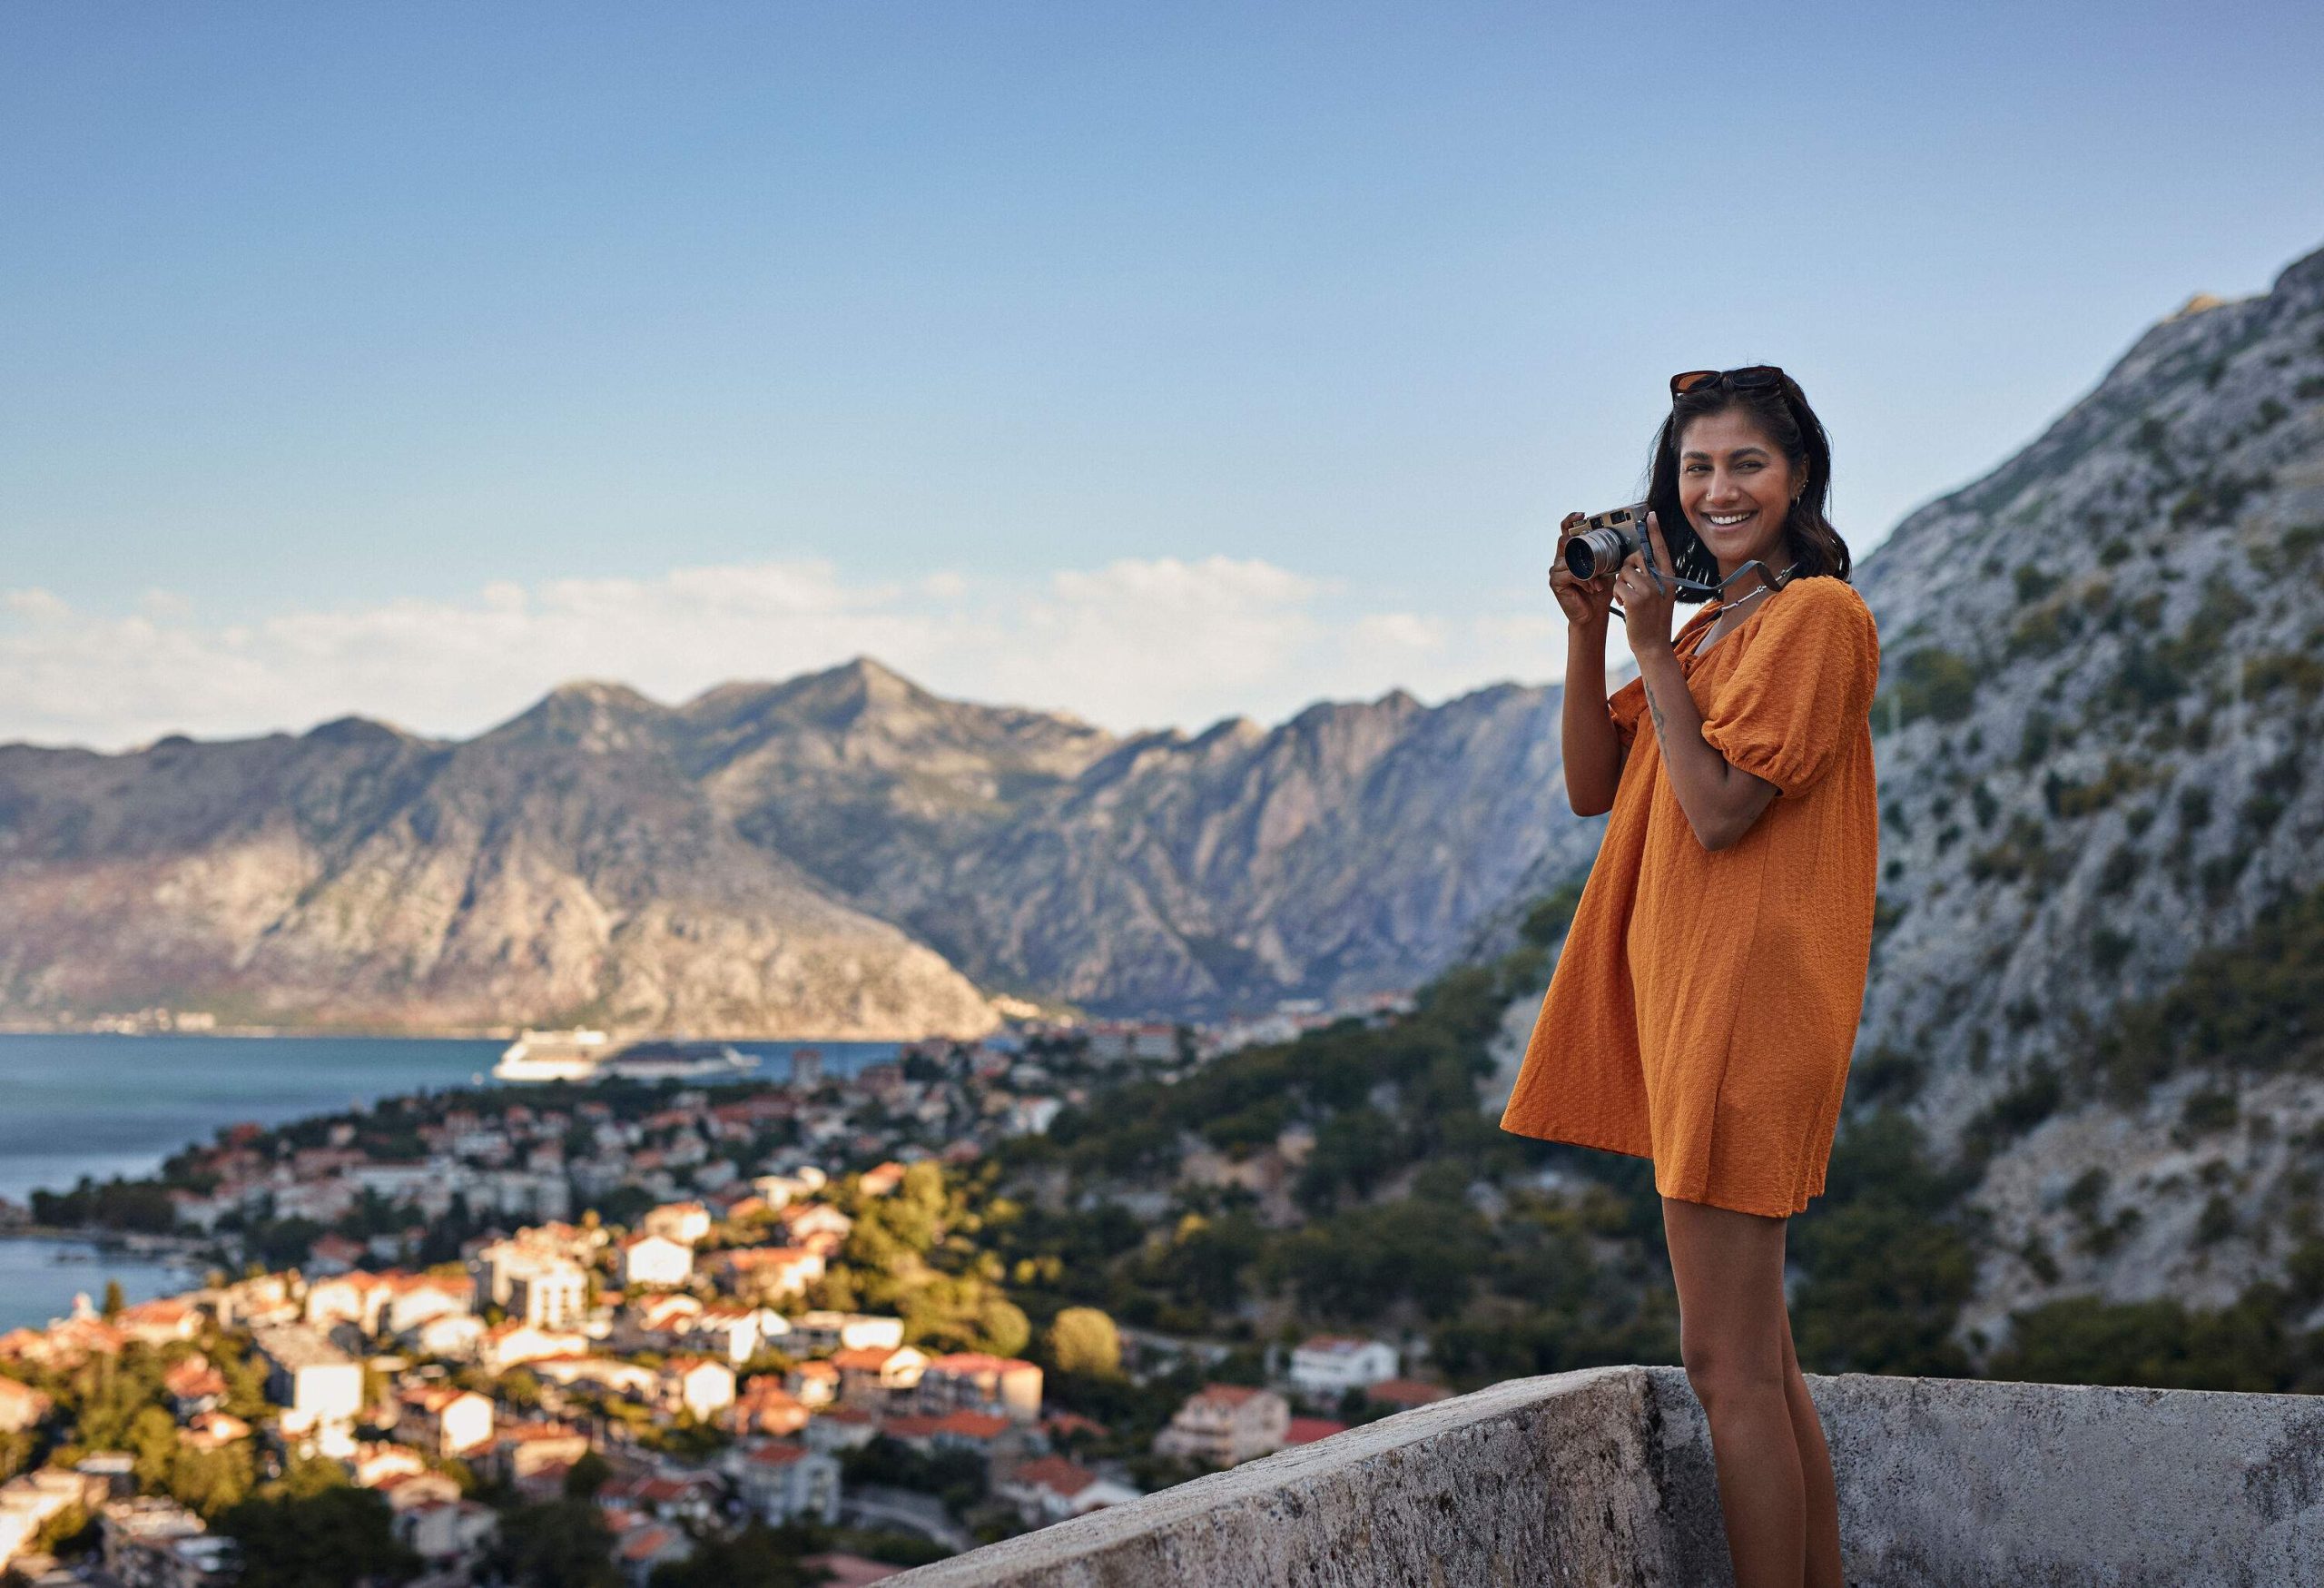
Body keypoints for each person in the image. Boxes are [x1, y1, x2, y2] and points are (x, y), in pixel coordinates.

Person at [1498, 366, 1879, 1588]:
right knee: (1761, 1361)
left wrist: (1653, 648)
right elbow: (1590, 786)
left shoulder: (1818, 620)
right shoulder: (1719, 628)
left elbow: (1719, 814)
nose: (1717, 489)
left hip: (1745, 1010)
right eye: (1696, 467)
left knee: (1723, 1372)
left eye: (1746, 465)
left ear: (1799, 474)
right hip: (1692, 1003)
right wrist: (1588, 630)